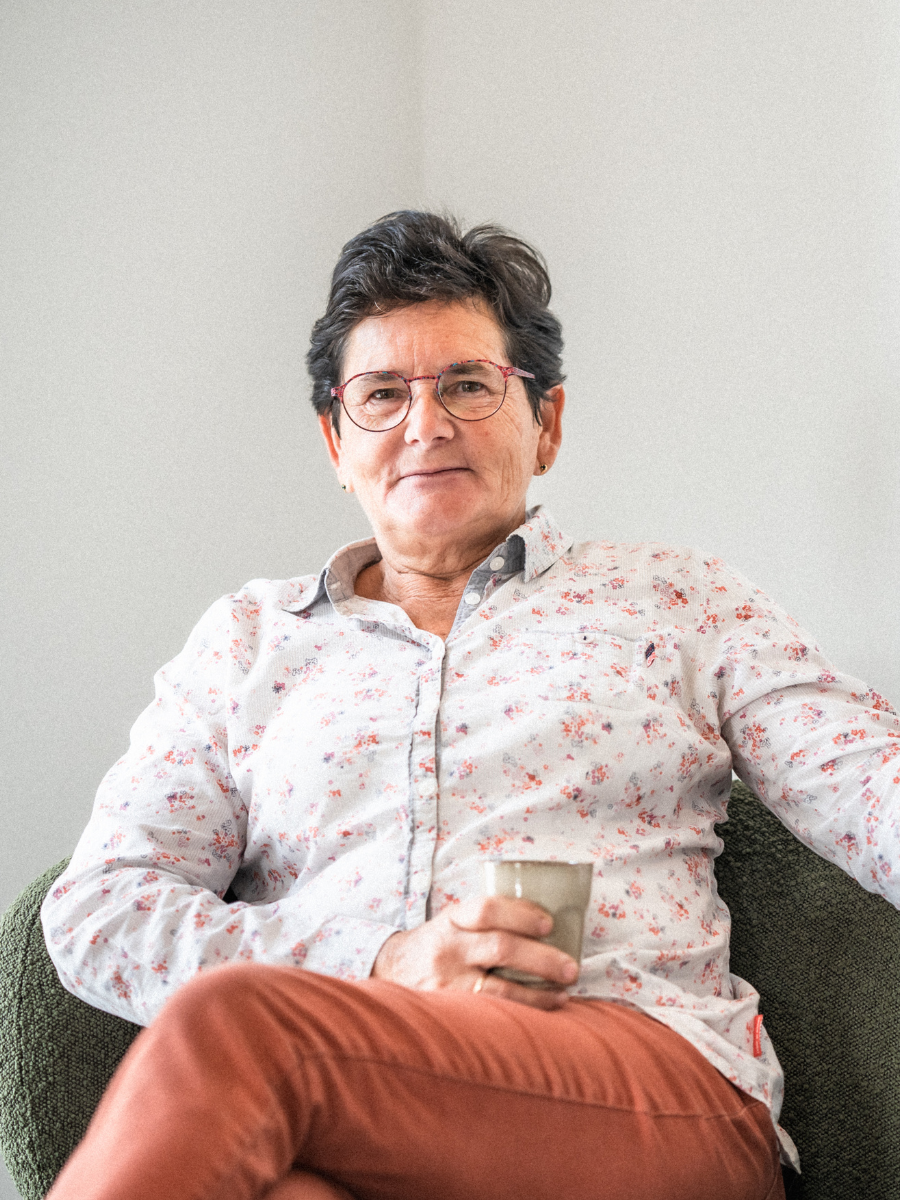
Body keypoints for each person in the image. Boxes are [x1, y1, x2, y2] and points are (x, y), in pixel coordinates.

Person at [42, 211, 899, 1200]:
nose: (425, 424)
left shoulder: (675, 599)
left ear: (547, 422)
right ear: (334, 442)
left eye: (467, 384)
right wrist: (380, 962)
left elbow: (867, 782)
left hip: (643, 1087)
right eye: (381, 395)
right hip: (358, 1108)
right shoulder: (245, 645)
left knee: (237, 1021)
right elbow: (100, 911)